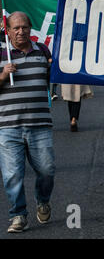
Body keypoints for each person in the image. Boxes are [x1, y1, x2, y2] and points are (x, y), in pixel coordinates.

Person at [0, 12, 55, 233]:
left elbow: (54, 78)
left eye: (24, 27)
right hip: (8, 126)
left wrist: (56, 68)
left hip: (40, 124)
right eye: (15, 28)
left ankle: (43, 200)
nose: (20, 31)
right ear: (8, 31)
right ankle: (18, 216)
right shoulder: (2, 54)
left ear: (31, 29)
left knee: (47, 169)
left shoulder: (42, 51)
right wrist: (3, 74)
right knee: (12, 174)